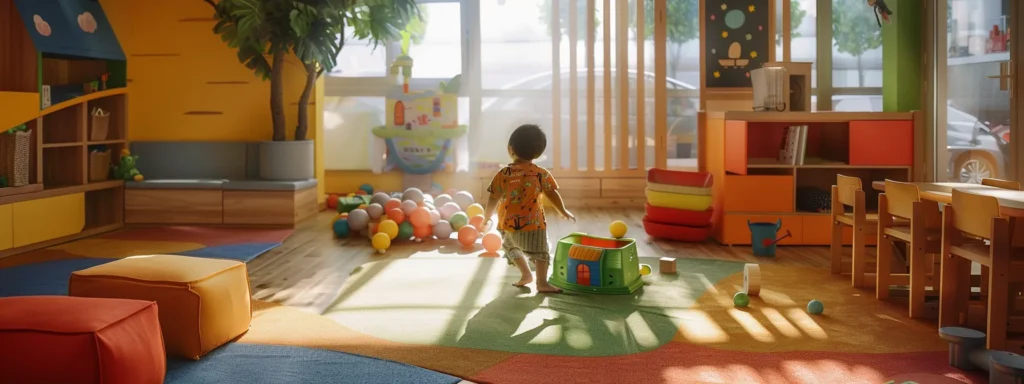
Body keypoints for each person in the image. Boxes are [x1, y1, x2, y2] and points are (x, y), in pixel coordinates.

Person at [483, 124, 575, 293]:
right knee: (541, 253)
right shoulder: (541, 173)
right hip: (533, 225)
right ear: (538, 154)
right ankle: (541, 282)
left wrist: (486, 216)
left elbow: (493, 197)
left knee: (511, 248)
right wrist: (562, 211)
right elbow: (552, 193)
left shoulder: (503, 174)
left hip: (507, 224)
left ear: (511, 149)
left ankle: (526, 274)